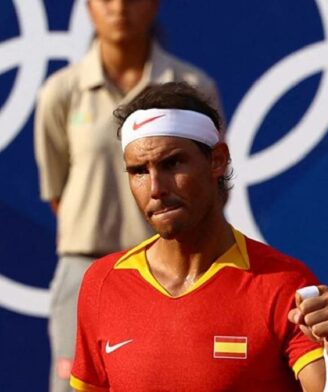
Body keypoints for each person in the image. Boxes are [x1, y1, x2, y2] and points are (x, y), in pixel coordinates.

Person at [68, 82, 328, 391]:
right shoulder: (102, 283)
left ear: (217, 160)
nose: (156, 188)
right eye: (138, 171)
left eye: (171, 163)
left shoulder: (284, 285)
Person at [33, 1, 221, 390]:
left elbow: (208, 187)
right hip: (83, 270)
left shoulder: (192, 87)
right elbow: (58, 193)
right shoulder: (61, 92)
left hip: (172, 273)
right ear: (87, 8)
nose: (118, 8)